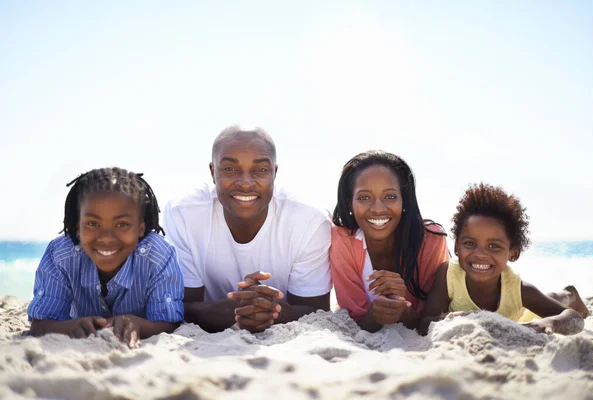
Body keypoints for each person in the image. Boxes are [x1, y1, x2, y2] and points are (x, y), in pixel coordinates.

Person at [163, 126, 331, 333]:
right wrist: (236, 309)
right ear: (212, 172)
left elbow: (317, 312)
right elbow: (179, 307)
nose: (245, 183)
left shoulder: (309, 221)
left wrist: (270, 310)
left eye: (260, 170)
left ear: (274, 173)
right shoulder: (183, 214)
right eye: (230, 169)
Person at [27, 168, 184, 348]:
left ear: (140, 227)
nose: (107, 237)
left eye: (122, 224)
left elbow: (169, 323)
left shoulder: (158, 256)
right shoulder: (62, 255)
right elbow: (40, 324)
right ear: (77, 226)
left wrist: (137, 324)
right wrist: (71, 327)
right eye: (93, 224)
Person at [419, 183, 585, 336]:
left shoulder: (518, 290)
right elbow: (424, 323)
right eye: (470, 243)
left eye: (493, 246)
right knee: (535, 305)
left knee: (549, 301)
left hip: (516, 310)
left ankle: (570, 295)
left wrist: (551, 322)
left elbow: (575, 318)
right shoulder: (449, 275)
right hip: (513, 311)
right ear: (456, 247)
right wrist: (447, 319)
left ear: (513, 253)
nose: (480, 253)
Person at [330, 150, 449, 332]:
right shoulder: (342, 241)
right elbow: (354, 322)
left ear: (404, 202)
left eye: (390, 196)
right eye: (364, 197)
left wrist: (403, 310)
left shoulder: (431, 240)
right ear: (349, 205)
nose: (378, 209)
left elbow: (429, 322)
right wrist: (374, 314)